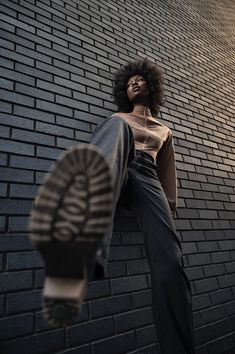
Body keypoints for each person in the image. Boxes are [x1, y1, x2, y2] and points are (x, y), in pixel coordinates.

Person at [29, 58, 195, 354]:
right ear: (124, 90)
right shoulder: (116, 120)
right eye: (129, 81)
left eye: (140, 79)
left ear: (152, 86)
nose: (134, 82)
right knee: (116, 125)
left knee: (170, 261)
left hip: (147, 179)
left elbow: (168, 177)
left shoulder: (164, 131)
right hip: (115, 166)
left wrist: (167, 209)